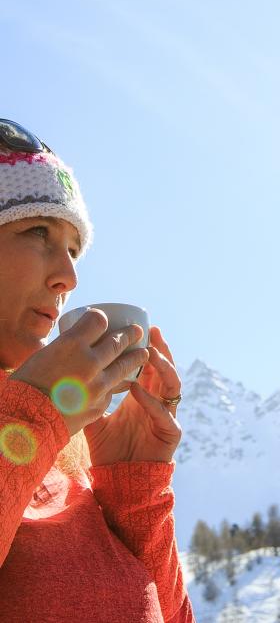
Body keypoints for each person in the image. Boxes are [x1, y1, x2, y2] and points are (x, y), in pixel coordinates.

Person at [0, 119, 195, 622]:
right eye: (37, 231)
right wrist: (34, 413)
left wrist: (134, 484)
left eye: (73, 248)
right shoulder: (35, 420)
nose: (69, 276)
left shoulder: (61, 438)